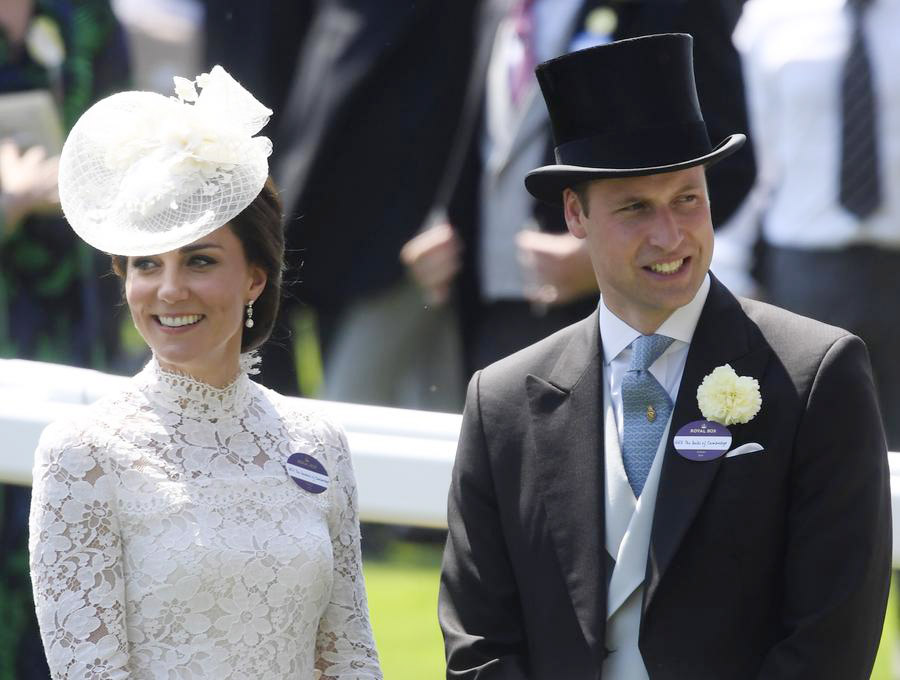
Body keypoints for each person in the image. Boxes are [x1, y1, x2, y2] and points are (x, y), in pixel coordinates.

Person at [439, 34, 890, 679]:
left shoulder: (816, 374)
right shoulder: (503, 400)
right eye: (635, 208)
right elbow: (478, 637)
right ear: (575, 214)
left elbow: (832, 636)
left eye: (687, 199)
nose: (670, 235)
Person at [28, 67, 381, 679]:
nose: (169, 290)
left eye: (199, 260)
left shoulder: (317, 442)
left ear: (254, 276)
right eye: (146, 264)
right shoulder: (83, 452)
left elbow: (350, 656)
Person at [405, 0, 756, 376]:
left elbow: (726, 162)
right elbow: (480, 142)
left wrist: (603, 251)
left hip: (615, 315)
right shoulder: (494, 10)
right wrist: (440, 224)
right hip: (488, 310)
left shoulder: (672, 7)